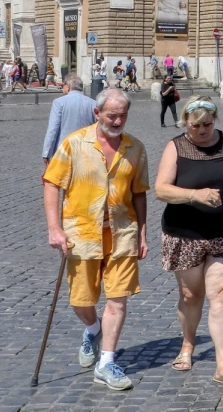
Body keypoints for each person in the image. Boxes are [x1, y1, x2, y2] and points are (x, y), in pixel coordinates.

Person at [154, 96, 223, 388]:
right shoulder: (176, 147)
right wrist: (195, 195)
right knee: (192, 295)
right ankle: (188, 344)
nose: (202, 130)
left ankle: (222, 365)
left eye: (208, 123)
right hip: (185, 234)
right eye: (196, 125)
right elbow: (161, 190)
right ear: (185, 122)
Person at [42, 88, 149, 391]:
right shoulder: (74, 143)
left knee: (118, 300)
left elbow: (139, 192)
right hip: (81, 233)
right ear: (97, 113)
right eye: (112, 115)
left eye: (123, 115)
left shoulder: (135, 148)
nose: (117, 120)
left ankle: (107, 362)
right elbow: (51, 183)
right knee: (81, 300)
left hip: (122, 232)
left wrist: (142, 232)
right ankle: (92, 328)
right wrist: (54, 228)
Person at [42, 73, 98, 166]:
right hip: (86, 151)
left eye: (63, 85)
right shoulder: (93, 103)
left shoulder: (59, 102)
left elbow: (53, 129)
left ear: (68, 87)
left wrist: (47, 152)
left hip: (64, 150)